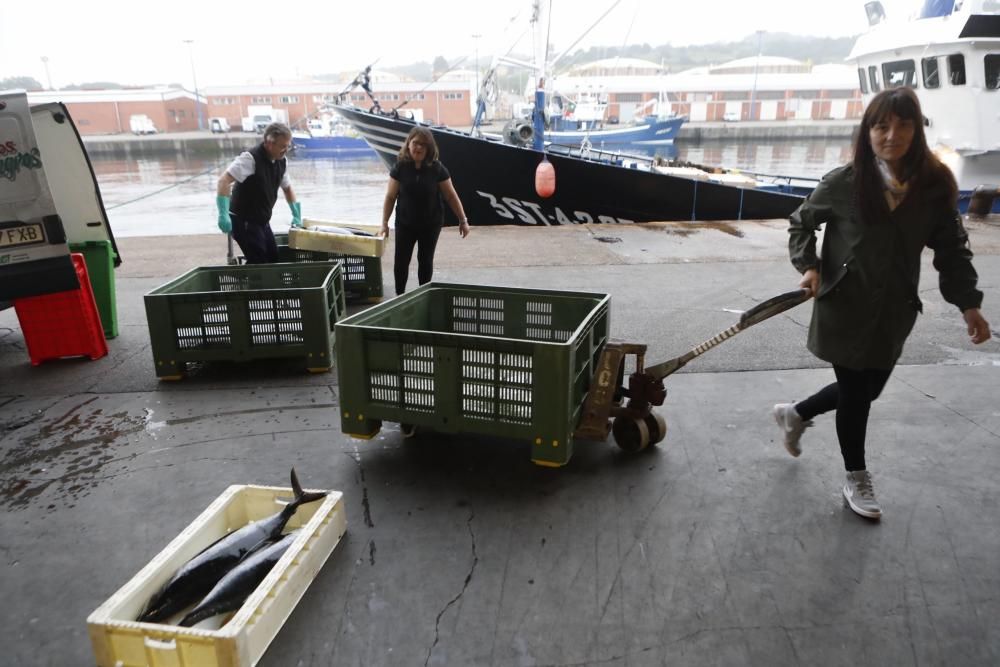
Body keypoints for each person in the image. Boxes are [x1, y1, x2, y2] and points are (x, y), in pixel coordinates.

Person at [774, 87, 991, 520]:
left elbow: (952, 250)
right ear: (867, 132)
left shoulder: (934, 187)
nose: (892, 134)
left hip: (894, 311)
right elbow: (801, 223)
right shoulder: (845, 183)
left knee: (867, 390)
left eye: (903, 124)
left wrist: (969, 304)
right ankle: (856, 476)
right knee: (856, 394)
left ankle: (796, 413)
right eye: (881, 125)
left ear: (917, 129)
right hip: (844, 308)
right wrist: (810, 265)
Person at [381, 127, 469, 295]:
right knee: (401, 262)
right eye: (415, 143)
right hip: (405, 223)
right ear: (408, 144)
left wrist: (462, 220)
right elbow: (390, 197)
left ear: (429, 148)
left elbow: (451, 196)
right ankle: (400, 296)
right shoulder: (400, 167)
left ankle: (423, 295)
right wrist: (384, 223)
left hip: (430, 224)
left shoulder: (437, 168)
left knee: (425, 261)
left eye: (423, 145)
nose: (419, 148)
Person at [216, 122, 302, 264]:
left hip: (262, 221)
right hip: (243, 221)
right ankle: (249, 283)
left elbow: (287, 188)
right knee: (260, 261)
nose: (286, 150)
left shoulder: (282, 161)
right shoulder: (250, 159)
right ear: (269, 143)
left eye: (288, 146)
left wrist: (296, 214)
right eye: (282, 146)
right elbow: (223, 181)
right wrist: (223, 214)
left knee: (273, 257)